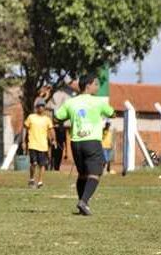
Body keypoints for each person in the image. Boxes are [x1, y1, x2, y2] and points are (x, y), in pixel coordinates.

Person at [54, 74, 114, 216]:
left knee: (82, 174)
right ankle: (84, 201)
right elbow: (112, 113)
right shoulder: (98, 102)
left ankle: (82, 204)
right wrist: (112, 114)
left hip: (76, 143)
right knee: (95, 173)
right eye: (96, 84)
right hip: (92, 141)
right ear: (88, 85)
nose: (98, 87)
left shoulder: (70, 102)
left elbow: (57, 117)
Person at [24, 99, 54, 188]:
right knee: (34, 163)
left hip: (43, 146)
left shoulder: (47, 119)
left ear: (44, 108)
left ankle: (40, 182)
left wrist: (53, 139)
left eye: (42, 106)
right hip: (32, 144)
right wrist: (23, 142)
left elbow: (51, 130)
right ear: (36, 108)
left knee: (42, 165)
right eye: (39, 106)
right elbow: (25, 129)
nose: (41, 108)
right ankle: (32, 178)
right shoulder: (31, 117)